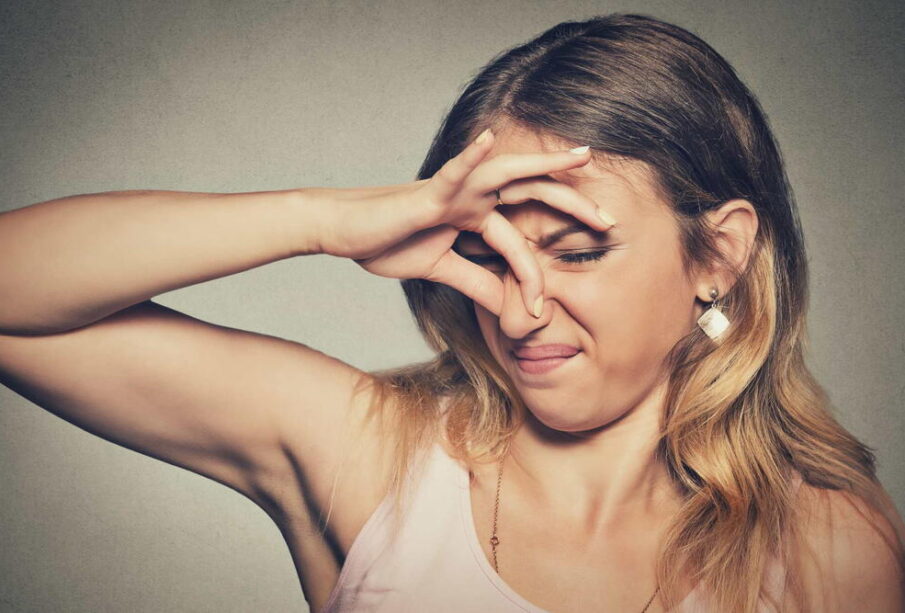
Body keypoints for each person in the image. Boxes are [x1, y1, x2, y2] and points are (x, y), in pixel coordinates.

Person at [0, 12, 902, 613]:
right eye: (486, 252)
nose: (520, 309)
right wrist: (323, 221)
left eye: (576, 249)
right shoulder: (369, 454)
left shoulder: (826, 548)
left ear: (717, 255)